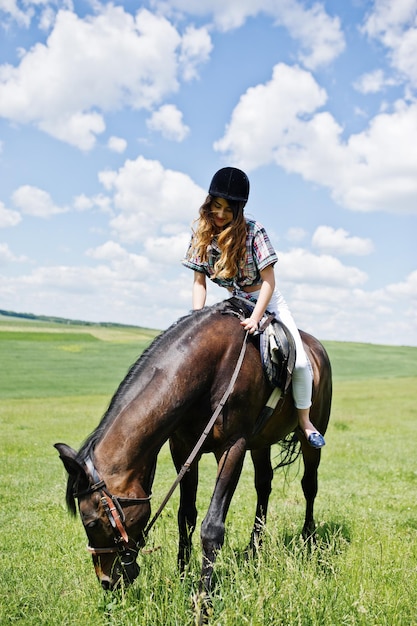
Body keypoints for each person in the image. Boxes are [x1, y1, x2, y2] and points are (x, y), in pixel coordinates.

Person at [182, 167, 325, 448]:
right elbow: (199, 281)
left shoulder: (254, 231)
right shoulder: (202, 233)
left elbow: (270, 280)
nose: (220, 213)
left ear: (239, 209)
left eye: (228, 208)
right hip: (233, 300)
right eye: (216, 205)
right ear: (208, 203)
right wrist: (197, 318)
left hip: (266, 300)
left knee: (299, 362)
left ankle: (305, 421)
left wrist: (257, 317)